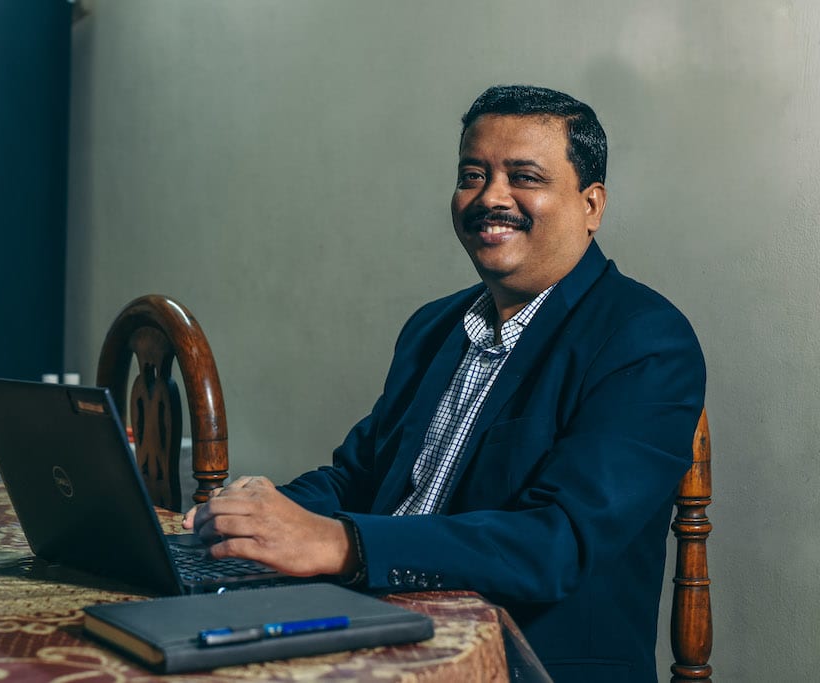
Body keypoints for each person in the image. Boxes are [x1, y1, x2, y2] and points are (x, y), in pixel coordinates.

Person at [183, 84, 706, 683]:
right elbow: (359, 477)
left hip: (522, 661)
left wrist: (343, 544)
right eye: (472, 175)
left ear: (592, 205)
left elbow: (557, 544)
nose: (491, 197)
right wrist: (257, 516)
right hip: (374, 627)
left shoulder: (644, 340)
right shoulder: (434, 326)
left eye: (525, 176)